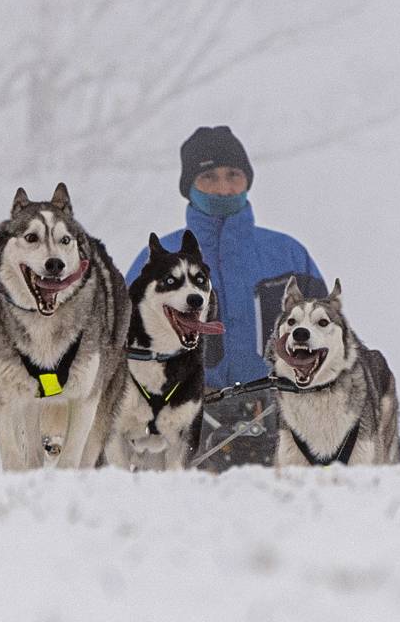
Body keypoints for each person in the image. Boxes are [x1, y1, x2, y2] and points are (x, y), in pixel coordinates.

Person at [126, 125, 323, 468]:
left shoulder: (289, 256)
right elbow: (122, 351)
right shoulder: (155, 260)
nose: (223, 187)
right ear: (189, 186)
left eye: (233, 174)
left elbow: (333, 343)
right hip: (181, 430)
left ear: (248, 179)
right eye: (209, 176)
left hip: (282, 427)